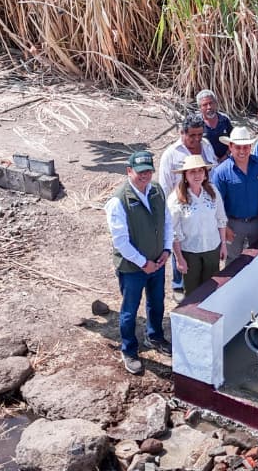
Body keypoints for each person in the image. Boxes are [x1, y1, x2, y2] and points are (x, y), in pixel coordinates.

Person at [104, 150, 173, 375]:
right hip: (133, 268)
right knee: (129, 310)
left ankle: (155, 336)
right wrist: (144, 263)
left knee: (157, 302)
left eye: (148, 171)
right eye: (140, 172)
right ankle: (129, 350)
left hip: (157, 262)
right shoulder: (118, 201)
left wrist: (166, 249)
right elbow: (121, 242)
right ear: (129, 171)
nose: (144, 176)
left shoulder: (157, 191)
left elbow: (167, 222)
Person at [157, 114, 217, 291]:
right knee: (179, 246)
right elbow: (164, 186)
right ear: (182, 132)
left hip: (204, 201)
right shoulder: (171, 154)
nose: (197, 139)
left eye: (200, 134)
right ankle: (178, 285)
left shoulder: (206, 146)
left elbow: (211, 172)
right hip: (180, 206)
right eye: (192, 135)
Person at [167, 155, 229, 294]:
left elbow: (220, 219)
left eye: (200, 171)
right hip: (190, 252)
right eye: (192, 172)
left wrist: (223, 244)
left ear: (205, 174)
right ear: (185, 175)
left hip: (212, 248)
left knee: (212, 288)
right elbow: (173, 231)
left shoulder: (212, 192)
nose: (197, 175)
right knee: (192, 291)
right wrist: (179, 258)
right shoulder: (176, 199)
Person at [211, 127, 258, 260]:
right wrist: (225, 227)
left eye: (245, 147)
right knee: (232, 260)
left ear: (250, 146)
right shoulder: (221, 172)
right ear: (230, 147)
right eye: (238, 147)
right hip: (233, 223)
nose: (242, 151)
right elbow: (216, 203)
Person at [197, 90, 234, 162]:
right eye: (205, 105)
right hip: (205, 163)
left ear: (215, 104)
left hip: (226, 160)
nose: (209, 107)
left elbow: (233, 140)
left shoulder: (224, 120)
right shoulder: (197, 123)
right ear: (200, 108)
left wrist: (225, 157)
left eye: (211, 103)